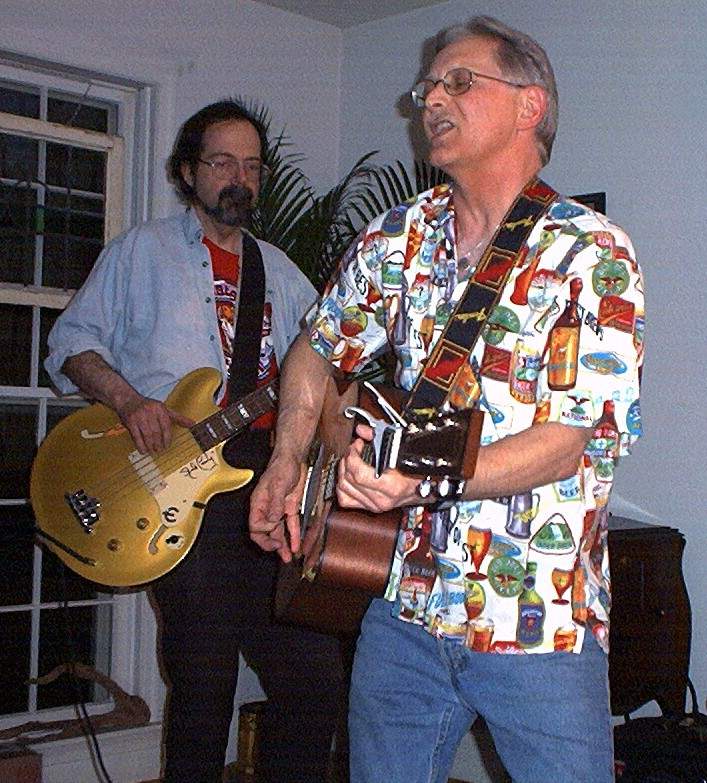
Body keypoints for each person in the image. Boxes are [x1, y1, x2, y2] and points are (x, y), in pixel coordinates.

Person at [249, 16, 644, 783]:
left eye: (458, 82)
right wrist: (287, 456)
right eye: (427, 86)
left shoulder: (589, 251)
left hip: (536, 622)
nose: (430, 98)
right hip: (404, 608)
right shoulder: (395, 237)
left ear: (528, 105)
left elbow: (569, 438)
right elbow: (316, 347)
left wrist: (421, 482)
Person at [45, 100, 347, 783]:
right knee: (205, 686)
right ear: (188, 171)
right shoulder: (141, 253)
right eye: (222, 162)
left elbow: (328, 369)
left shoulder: (280, 272)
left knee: (312, 680)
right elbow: (71, 344)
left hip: (267, 485)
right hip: (172, 487)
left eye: (252, 166)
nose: (239, 178)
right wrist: (129, 401)